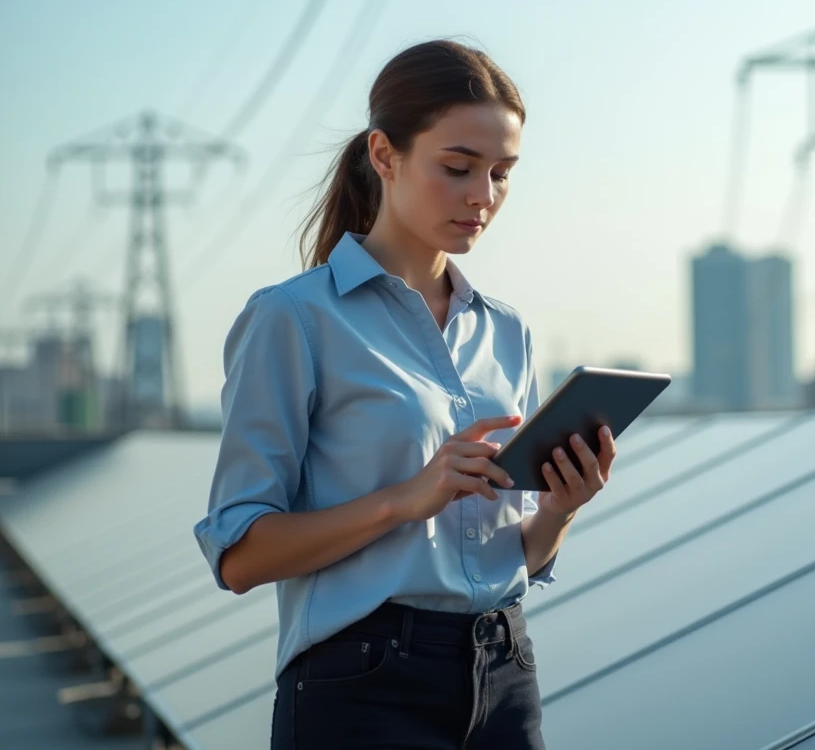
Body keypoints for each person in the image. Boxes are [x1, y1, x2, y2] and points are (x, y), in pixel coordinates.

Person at [192, 39, 617, 749]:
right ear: (384, 156)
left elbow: (518, 553)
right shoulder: (294, 319)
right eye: (457, 168)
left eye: (502, 174)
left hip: (506, 674)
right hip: (362, 687)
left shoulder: (507, 331)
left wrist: (561, 509)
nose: (483, 196)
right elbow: (238, 554)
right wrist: (402, 500)